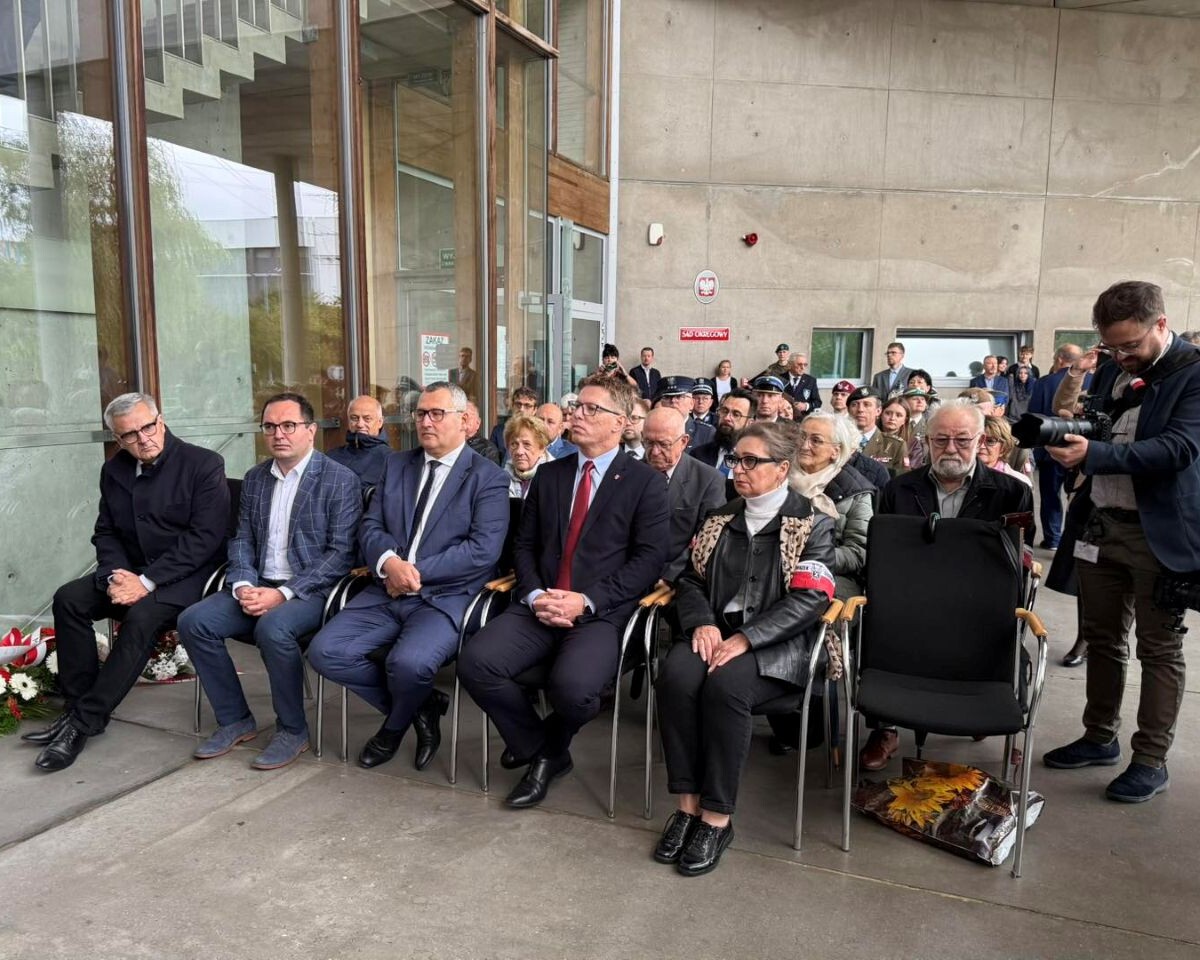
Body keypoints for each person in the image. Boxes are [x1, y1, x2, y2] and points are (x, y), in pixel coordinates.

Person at [458, 374, 669, 808]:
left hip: (599, 611)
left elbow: (648, 561)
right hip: (540, 602)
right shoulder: (550, 474)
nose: (578, 414)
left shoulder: (644, 482)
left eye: (592, 409)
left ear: (621, 422)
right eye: (577, 406)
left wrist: (586, 601)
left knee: (572, 691)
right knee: (476, 662)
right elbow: (525, 545)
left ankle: (546, 748)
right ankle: (543, 749)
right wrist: (535, 594)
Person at [653, 422, 836, 876]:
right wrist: (702, 622)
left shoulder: (813, 523)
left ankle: (717, 818)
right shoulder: (719, 518)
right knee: (676, 676)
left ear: (782, 469)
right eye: (736, 459)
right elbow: (691, 580)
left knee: (726, 688)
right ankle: (687, 807)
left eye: (752, 461)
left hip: (778, 645)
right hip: (715, 632)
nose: (738, 469)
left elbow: (811, 599)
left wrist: (748, 637)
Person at [1042, 281, 1200, 804]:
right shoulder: (1114, 367)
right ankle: (1099, 737)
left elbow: (1179, 448)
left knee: (1159, 650)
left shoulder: (1194, 373)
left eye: (1131, 345)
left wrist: (1096, 455)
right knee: (1102, 638)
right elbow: (1100, 422)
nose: (1122, 356)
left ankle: (1150, 760)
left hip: (1160, 535)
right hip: (1099, 525)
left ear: (1161, 324)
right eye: (1113, 347)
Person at [307, 383, 509, 771]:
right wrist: (388, 563)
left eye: (437, 414)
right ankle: (422, 705)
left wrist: (413, 572)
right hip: (386, 589)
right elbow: (371, 525)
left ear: (464, 420)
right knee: (325, 652)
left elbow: (483, 549)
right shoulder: (397, 464)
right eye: (420, 414)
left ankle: (393, 727)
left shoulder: (487, 477)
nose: (426, 422)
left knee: (410, 665)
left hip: (446, 596)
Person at [26, 393, 229, 772]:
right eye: (130, 435)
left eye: (147, 427)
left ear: (161, 422)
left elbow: (204, 540)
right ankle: (77, 705)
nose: (143, 439)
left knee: (141, 618)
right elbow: (106, 532)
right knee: (69, 598)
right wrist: (115, 575)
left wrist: (147, 582)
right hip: (130, 573)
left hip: (189, 578)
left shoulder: (203, 464)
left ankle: (82, 723)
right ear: (118, 439)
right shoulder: (115, 470)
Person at [177, 393, 362, 771]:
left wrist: (282, 594)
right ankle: (235, 719)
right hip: (259, 582)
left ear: (311, 430)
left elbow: (340, 554)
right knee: (194, 621)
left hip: (312, 591)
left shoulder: (340, 480)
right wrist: (243, 584)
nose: (279, 434)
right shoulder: (256, 478)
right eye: (270, 426)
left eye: (289, 425)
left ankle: (292, 730)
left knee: (273, 628)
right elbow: (241, 539)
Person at [860, 399, 1033, 770]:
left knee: (1010, 637)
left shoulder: (1012, 492)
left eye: (962, 440)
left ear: (981, 441)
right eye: (940, 440)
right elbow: (884, 557)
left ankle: (997, 718)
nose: (950, 449)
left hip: (979, 606)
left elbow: (1019, 558)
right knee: (875, 623)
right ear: (926, 441)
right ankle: (885, 728)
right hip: (911, 601)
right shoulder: (898, 490)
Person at [642, 407, 726, 583]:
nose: (655, 451)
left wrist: (670, 578)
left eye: (664, 444)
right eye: (648, 442)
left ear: (683, 441)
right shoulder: (629, 472)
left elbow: (707, 539)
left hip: (676, 579)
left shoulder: (708, 480)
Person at [1028, 343, 1091, 549]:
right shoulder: (1094, 380)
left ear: (1059, 359)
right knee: (1080, 497)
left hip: (1051, 449)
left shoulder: (1044, 382)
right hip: (1085, 450)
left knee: (1050, 497)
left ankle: (1053, 539)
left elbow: (1034, 415)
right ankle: (1075, 541)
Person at [690, 389, 755, 488]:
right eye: (724, 411)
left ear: (749, 423)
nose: (727, 418)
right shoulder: (698, 455)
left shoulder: (756, 461)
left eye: (736, 414)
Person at [327, 395, 391, 490]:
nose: (360, 424)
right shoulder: (331, 457)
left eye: (367, 419)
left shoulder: (390, 460)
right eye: (354, 418)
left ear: (380, 422)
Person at [847, 387, 906, 476]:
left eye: (867, 405)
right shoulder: (837, 441)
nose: (860, 409)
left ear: (878, 411)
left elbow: (901, 477)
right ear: (848, 410)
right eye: (855, 405)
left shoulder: (895, 445)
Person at [504, 414, 555, 500]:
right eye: (514, 444)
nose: (519, 451)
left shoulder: (555, 478)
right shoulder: (501, 478)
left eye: (527, 444)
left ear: (542, 448)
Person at [655, 376, 716, 447]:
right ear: (661, 403)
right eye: (667, 397)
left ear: (691, 403)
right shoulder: (654, 429)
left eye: (679, 397)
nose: (673, 401)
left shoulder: (706, 433)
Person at [978, 416, 1032, 488]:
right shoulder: (962, 476)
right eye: (978, 440)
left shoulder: (1020, 484)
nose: (981, 446)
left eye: (990, 441)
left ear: (1003, 448)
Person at [489, 386, 539, 462]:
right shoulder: (498, 431)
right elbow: (492, 461)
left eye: (527, 406)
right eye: (518, 404)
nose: (521, 409)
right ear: (512, 406)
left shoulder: (539, 432)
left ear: (535, 410)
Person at [878, 397, 913, 474]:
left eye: (898, 415)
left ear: (905, 420)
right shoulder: (870, 437)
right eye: (888, 413)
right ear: (881, 414)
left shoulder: (913, 443)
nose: (892, 418)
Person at [463, 401, 502, 465]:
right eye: (461, 416)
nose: (464, 419)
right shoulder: (451, 444)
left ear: (478, 422)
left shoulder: (487, 449)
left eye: (469, 415)